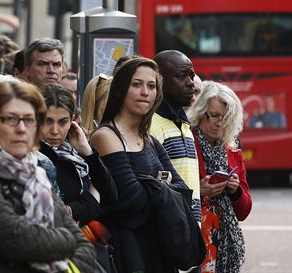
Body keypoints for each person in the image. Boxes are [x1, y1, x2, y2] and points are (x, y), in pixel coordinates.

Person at [0, 80, 95, 273]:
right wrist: (66, 239)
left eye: (29, 120)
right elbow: (14, 237)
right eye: (10, 119)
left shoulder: (36, 172)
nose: (21, 128)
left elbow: (85, 247)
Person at [90, 56, 191, 273]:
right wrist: (163, 188)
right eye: (136, 84)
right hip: (129, 254)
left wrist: (152, 188)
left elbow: (183, 194)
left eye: (151, 86)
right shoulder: (107, 136)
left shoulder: (150, 140)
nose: (145, 92)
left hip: (160, 252)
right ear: (120, 90)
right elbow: (130, 203)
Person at [187, 81, 252, 273]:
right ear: (200, 112)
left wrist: (235, 191)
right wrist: (199, 190)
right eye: (214, 115)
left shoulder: (232, 152)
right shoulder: (186, 140)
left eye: (226, 118)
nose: (219, 123)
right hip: (194, 235)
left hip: (224, 241)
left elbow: (244, 211)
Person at [39, 84, 117, 224]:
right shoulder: (33, 154)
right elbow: (56, 214)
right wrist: (92, 200)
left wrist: (87, 152)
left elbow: (110, 196)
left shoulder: (75, 150)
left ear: (72, 121)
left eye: (63, 122)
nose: (55, 130)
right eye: (47, 121)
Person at [151, 50, 202, 225]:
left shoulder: (186, 126)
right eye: (181, 76)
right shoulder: (151, 126)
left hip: (190, 229)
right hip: (170, 230)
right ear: (159, 81)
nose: (191, 83)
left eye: (192, 76)